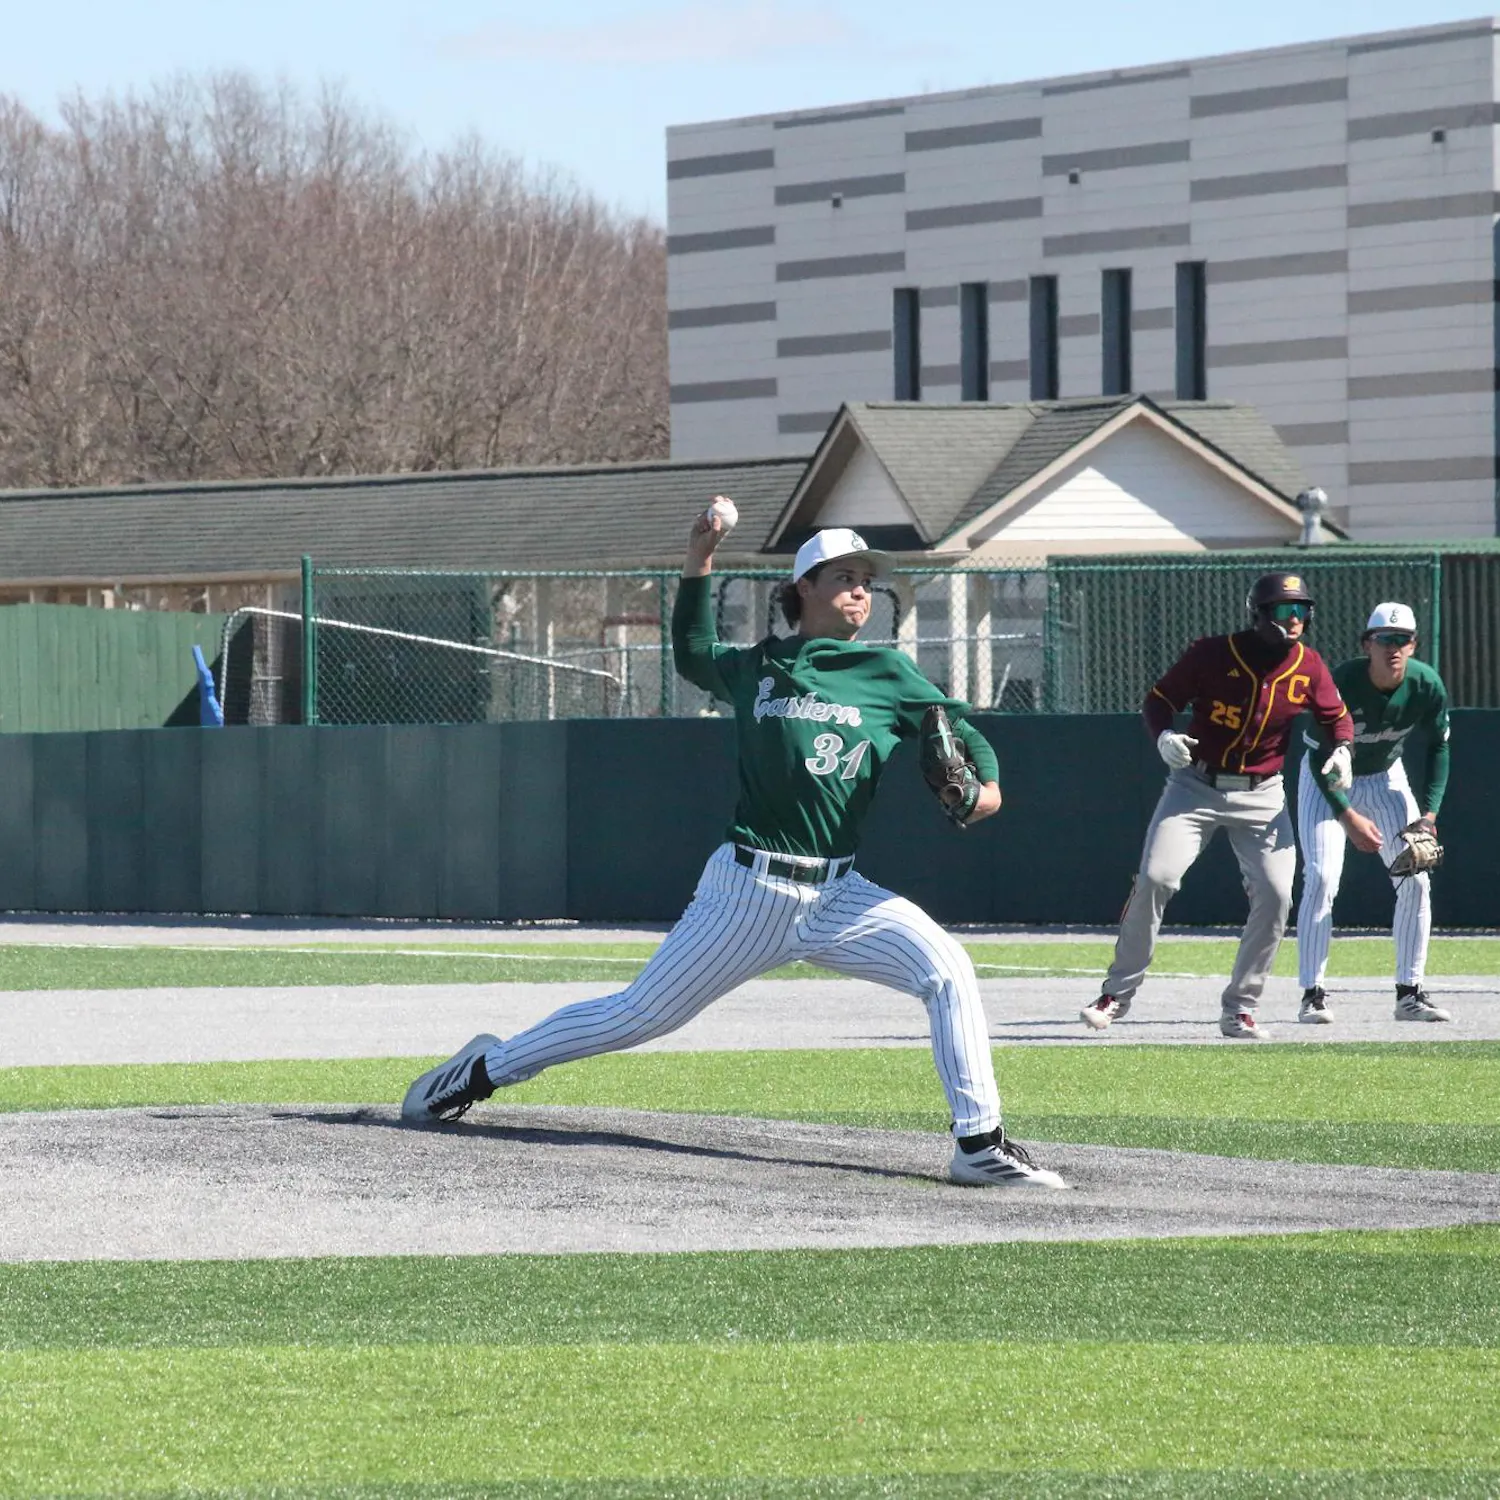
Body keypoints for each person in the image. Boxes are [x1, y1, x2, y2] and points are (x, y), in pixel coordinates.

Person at [403, 508, 1068, 1188]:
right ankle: (480, 1071)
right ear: (802, 588)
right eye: (844, 577)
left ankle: (979, 1143)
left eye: (868, 581)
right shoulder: (761, 667)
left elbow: (960, 731)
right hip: (750, 892)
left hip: (841, 894)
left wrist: (988, 790)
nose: (861, 592)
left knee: (947, 969)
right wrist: (700, 557)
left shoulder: (887, 672)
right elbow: (692, 652)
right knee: (636, 1016)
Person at [1081, 572, 1354, 1040]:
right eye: (1286, 611)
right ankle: (1115, 995)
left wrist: (1344, 748)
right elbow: (1159, 701)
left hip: (1263, 793)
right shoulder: (1212, 653)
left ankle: (1240, 1008)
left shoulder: (1309, 665)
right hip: (1196, 784)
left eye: (1302, 611)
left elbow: (1337, 717)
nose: (1295, 620)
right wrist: (1164, 735)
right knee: (1156, 878)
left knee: (1276, 895)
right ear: (1260, 614)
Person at [1295, 602, 1453, 1024]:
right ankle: (1313, 993)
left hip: (1385, 777)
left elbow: (1439, 745)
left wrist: (1429, 815)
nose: (1394, 648)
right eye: (1385, 639)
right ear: (1368, 644)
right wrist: (1346, 814)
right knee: (1323, 876)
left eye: (1403, 640)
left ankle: (1409, 993)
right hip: (1329, 779)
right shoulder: (1341, 682)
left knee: (1416, 881)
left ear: (1414, 645)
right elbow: (1316, 759)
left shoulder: (1425, 685)